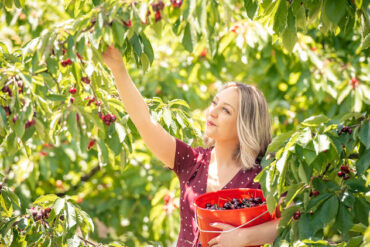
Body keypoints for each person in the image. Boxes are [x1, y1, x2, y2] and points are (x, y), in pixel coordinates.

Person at [102, 45, 280, 247]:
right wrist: (118, 69)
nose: (212, 112)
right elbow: (144, 122)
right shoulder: (192, 163)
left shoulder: (263, 176)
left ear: (245, 126)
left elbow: (292, 219)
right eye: (214, 103)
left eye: (226, 111)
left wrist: (243, 237)